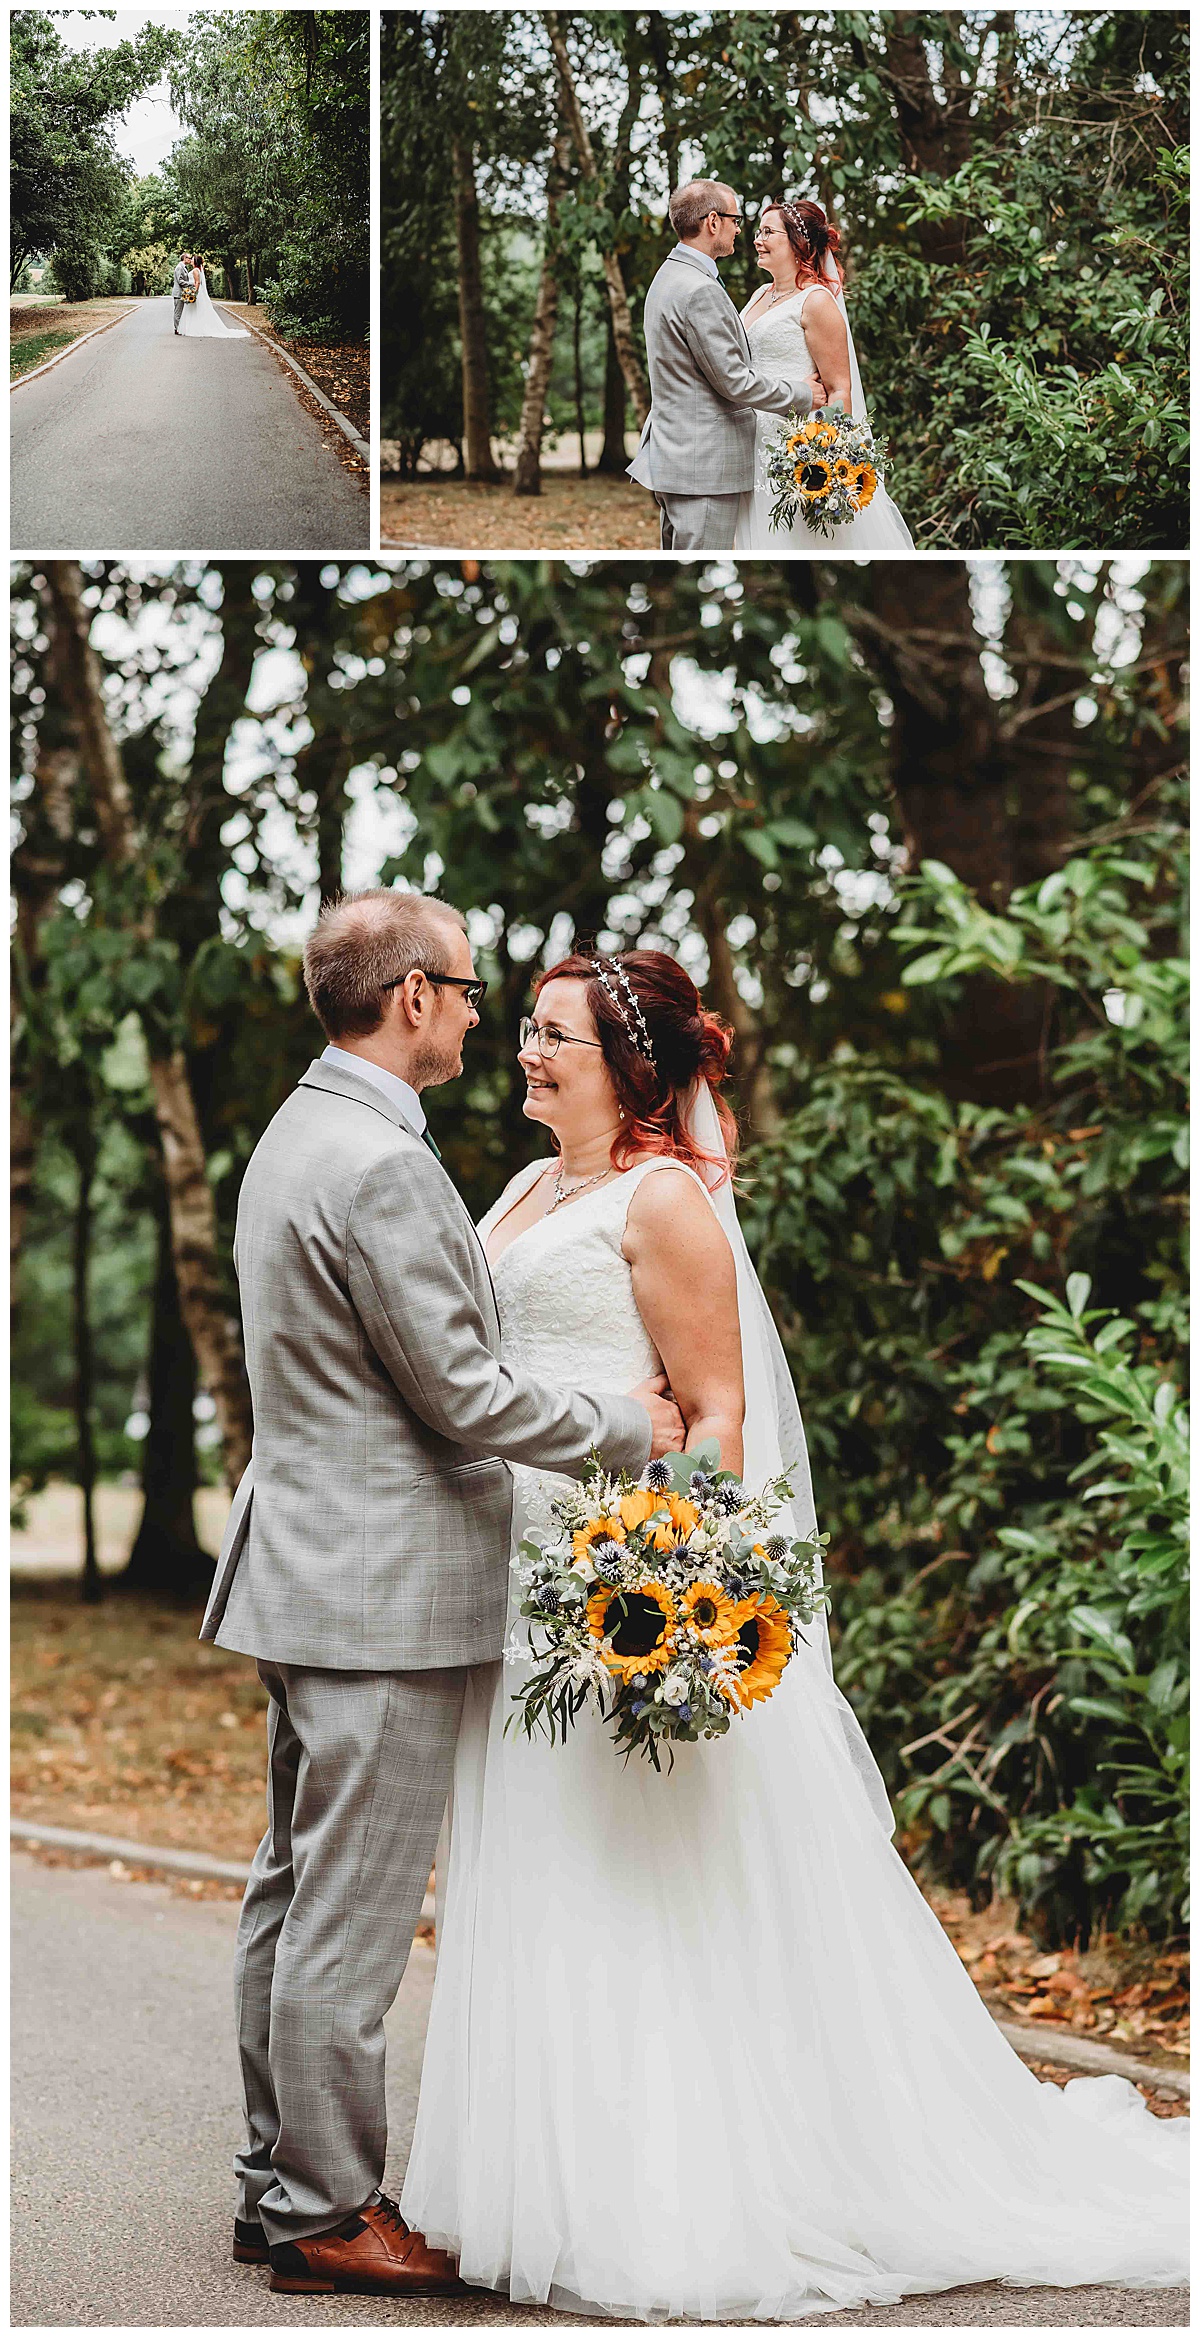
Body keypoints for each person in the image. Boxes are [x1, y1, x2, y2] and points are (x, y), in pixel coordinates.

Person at [400, 947, 1189, 2322]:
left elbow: (716, 1416)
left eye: (556, 1037)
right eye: (524, 1029)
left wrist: (657, 1582)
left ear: (628, 1066)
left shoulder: (667, 1202)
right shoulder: (526, 1189)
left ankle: (670, 2193)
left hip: (618, 1589)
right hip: (517, 1583)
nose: (527, 1052)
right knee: (540, 1865)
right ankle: (554, 2174)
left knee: (639, 1881)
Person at [200, 892, 685, 2298]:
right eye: (472, 992)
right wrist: (624, 1422)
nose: (481, 1017)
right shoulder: (383, 1165)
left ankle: (269, 2183)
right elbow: (460, 1392)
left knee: (289, 1896)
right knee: (343, 1917)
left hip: (303, 1568)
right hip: (378, 1589)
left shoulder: (299, 1134)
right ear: (413, 997)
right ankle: (325, 2210)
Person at [627, 177, 824, 552]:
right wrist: (803, 394)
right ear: (713, 222)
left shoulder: (668, 275)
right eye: (736, 219)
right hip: (703, 468)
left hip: (678, 457)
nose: (741, 230)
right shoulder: (699, 289)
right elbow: (734, 381)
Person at [734, 197, 914, 550]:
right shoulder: (760, 294)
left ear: (798, 244)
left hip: (792, 453)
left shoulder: (816, 301)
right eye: (758, 230)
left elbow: (840, 389)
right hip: (750, 446)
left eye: (768, 232)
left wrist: (825, 459)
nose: (757, 239)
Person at [178, 254, 250, 341]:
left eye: (192, 259)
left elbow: (197, 283)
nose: (191, 260)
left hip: (196, 292)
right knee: (196, 311)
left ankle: (195, 329)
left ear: (195, 261)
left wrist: (193, 293)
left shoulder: (195, 270)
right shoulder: (198, 269)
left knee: (195, 311)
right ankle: (195, 327)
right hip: (197, 292)